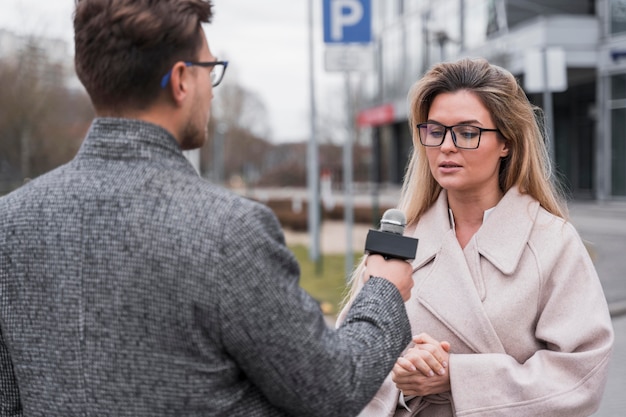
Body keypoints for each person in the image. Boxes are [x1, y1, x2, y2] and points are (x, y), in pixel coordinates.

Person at [0, 1, 418, 415]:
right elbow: (332, 387)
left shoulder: (9, 222)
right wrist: (383, 289)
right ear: (181, 80)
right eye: (209, 69)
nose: (210, 90)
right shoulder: (228, 230)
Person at [339, 57, 614, 416]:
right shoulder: (400, 240)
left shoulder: (551, 241)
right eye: (435, 131)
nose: (446, 147)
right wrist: (405, 375)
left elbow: (582, 376)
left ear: (507, 143)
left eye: (468, 133)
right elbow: (347, 364)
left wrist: (456, 376)